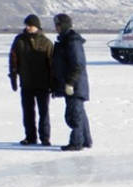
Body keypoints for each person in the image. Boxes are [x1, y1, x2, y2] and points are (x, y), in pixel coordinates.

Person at [8, 14, 53, 146]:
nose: (28, 28)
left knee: (43, 112)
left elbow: (52, 64)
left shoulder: (46, 42)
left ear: (37, 26)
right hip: (27, 83)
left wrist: (53, 83)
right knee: (28, 112)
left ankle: (45, 138)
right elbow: (13, 59)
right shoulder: (19, 40)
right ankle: (30, 137)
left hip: (43, 83)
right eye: (26, 25)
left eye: (30, 25)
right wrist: (13, 77)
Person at [51, 13, 92, 151]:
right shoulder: (65, 40)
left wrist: (70, 83)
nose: (55, 28)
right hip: (72, 85)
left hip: (75, 86)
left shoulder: (72, 41)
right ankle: (86, 140)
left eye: (57, 25)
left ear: (62, 25)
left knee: (74, 115)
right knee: (78, 112)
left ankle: (76, 142)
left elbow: (78, 64)